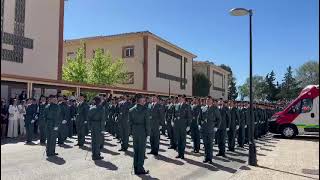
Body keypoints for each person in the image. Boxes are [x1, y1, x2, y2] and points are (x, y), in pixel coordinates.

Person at [129, 94, 150, 175]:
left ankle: (135, 168)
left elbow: (129, 123)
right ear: (140, 101)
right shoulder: (145, 110)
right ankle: (140, 169)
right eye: (143, 100)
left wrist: (131, 132)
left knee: (136, 150)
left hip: (134, 131)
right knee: (141, 151)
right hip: (142, 131)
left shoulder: (131, 110)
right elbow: (147, 123)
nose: (144, 101)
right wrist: (148, 133)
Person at [198, 96, 221, 164]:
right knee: (205, 144)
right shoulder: (203, 108)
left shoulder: (215, 108)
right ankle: (206, 157)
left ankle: (210, 158)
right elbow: (199, 118)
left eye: (209, 100)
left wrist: (216, 127)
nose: (208, 101)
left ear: (212, 101)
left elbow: (219, 119)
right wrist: (199, 124)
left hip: (211, 129)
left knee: (210, 144)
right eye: (207, 100)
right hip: (204, 129)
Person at [173, 94, 192, 159]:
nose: (179, 99)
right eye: (178, 98)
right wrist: (173, 121)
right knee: (178, 140)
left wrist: (188, 125)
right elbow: (174, 114)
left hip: (183, 125)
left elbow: (189, 116)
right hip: (177, 125)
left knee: (183, 140)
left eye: (180, 98)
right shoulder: (176, 105)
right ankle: (179, 153)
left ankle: (182, 154)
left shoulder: (187, 106)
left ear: (183, 99)